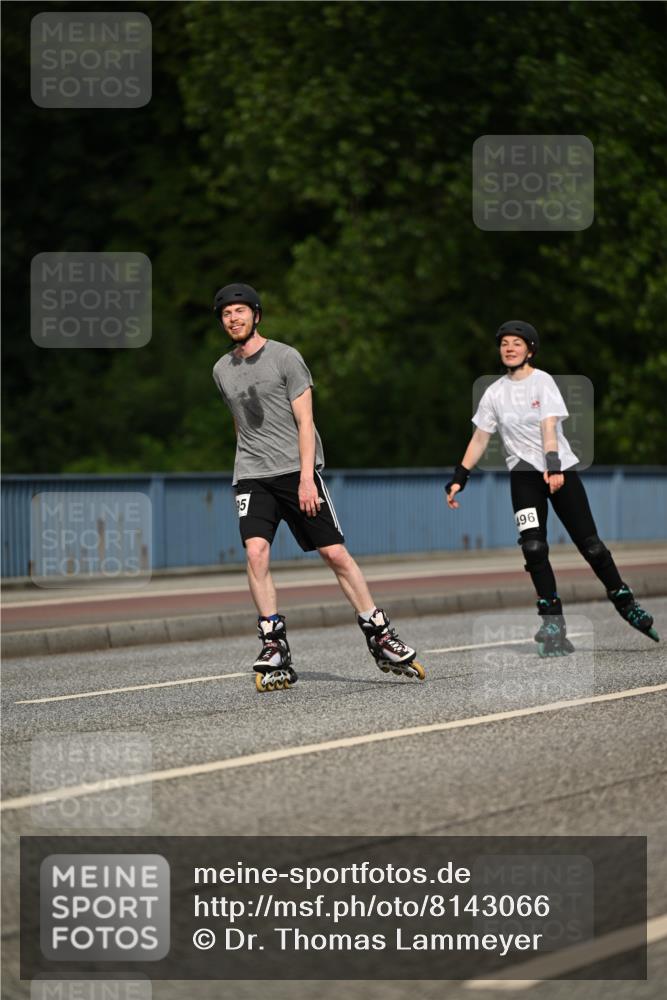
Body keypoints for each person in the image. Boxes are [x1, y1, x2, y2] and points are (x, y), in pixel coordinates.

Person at [212, 282, 425, 691]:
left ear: (256, 315)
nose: (233, 318)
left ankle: (379, 633)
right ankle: (274, 644)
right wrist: (242, 468)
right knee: (255, 551)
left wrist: (308, 478)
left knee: (334, 553)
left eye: (240, 311)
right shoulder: (222, 369)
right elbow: (238, 422)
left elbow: (305, 422)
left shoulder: (285, 357)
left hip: (296, 471)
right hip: (252, 474)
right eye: (226, 314)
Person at [445, 320, 659, 656]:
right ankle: (552, 620)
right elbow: (480, 438)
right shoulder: (494, 392)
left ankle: (624, 599)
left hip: (559, 469)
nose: (509, 348)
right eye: (504, 343)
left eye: (517, 343)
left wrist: (553, 464)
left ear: (530, 349)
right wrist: (460, 476)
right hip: (524, 476)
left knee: (591, 546)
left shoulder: (542, 382)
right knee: (532, 547)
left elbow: (548, 428)